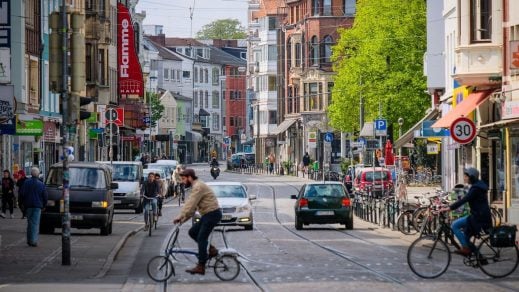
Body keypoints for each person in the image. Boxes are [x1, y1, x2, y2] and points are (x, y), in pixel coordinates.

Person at [173, 169, 222, 275]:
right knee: (193, 232)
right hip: (208, 214)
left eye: (184, 179)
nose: (182, 181)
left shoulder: (198, 187)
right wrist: (182, 219)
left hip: (212, 214)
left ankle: (201, 266)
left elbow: (190, 204)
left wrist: (180, 216)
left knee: (201, 238)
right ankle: (211, 250)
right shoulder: (196, 186)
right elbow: (192, 208)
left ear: (190, 177)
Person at [441, 167, 492, 256]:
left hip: (478, 218)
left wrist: (449, 208)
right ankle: (479, 258)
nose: (464, 178)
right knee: (465, 236)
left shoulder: (476, 189)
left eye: (466, 176)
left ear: (471, 177)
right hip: (479, 216)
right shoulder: (477, 186)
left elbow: (464, 200)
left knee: (455, 225)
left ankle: (466, 248)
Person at [19, 167, 47, 247]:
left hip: (28, 206)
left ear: (31, 174)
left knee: (30, 223)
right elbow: (45, 196)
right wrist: (44, 205)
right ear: (38, 174)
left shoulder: (26, 183)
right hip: (37, 206)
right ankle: (33, 241)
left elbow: (21, 194)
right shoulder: (41, 184)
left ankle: (29, 240)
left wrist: (21, 205)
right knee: (35, 223)